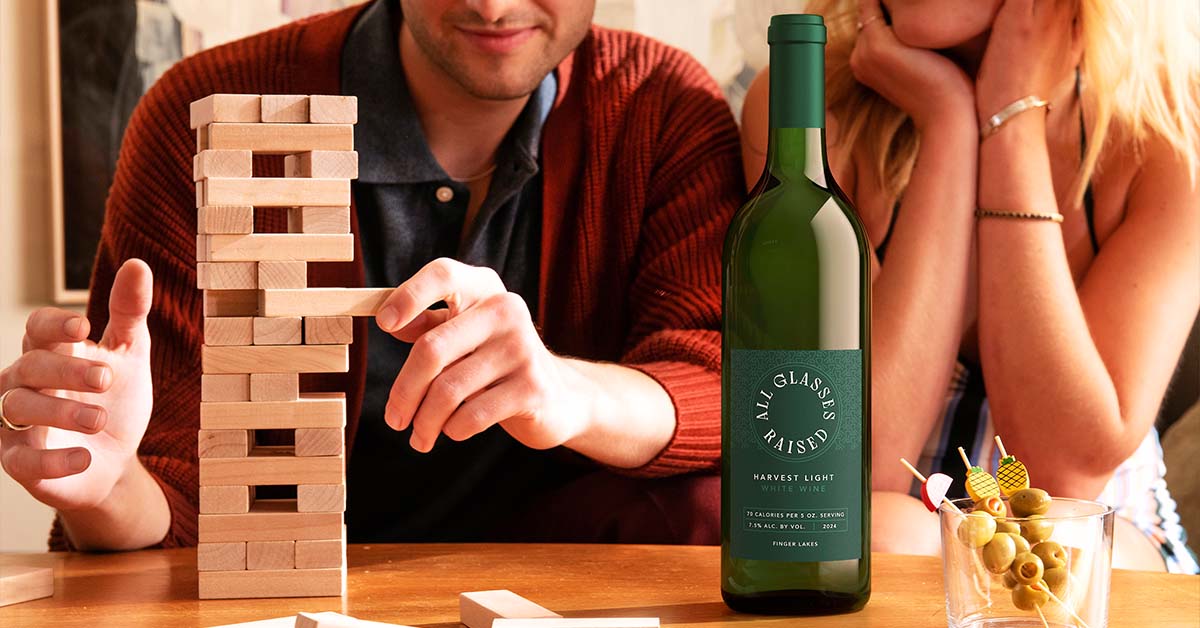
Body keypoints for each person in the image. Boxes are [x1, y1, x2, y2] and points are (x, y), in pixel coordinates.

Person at [0, 0, 744, 550]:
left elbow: (729, 386)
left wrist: (563, 390)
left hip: (567, 573)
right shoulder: (211, 115)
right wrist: (105, 487)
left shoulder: (663, 106)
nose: (491, 5)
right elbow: (176, 503)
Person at [741, 0, 1199, 572]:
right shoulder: (810, 103)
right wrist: (950, 126)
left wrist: (1011, 120)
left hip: (1103, 533)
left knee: (1069, 550)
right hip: (890, 530)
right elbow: (850, 468)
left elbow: (1062, 480)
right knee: (879, 536)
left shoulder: (1171, 124)